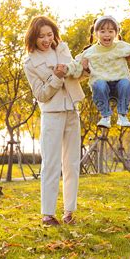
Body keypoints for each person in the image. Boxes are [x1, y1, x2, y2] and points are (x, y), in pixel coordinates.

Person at [24, 16, 85, 226]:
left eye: (49, 34)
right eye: (41, 36)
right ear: (34, 36)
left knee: (72, 164)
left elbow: (76, 75)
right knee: (50, 164)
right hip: (51, 114)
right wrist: (57, 77)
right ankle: (48, 214)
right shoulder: (30, 62)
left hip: (72, 111)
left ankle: (69, 212)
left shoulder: (62, 49)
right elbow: (41, 94)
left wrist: (80, 69)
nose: (46, 39)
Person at [65, 15, 130, 128]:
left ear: (116, 33)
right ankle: (105, 116)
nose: (107, 34)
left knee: (126, 83)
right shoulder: (90, 52)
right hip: (102, 86)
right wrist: (66, 69)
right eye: (102, 31)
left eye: (110, 31)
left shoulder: (121, 47)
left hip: (119, 85)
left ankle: (122, 115)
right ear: (96, 33)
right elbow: (76, 64)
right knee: (99, 84)